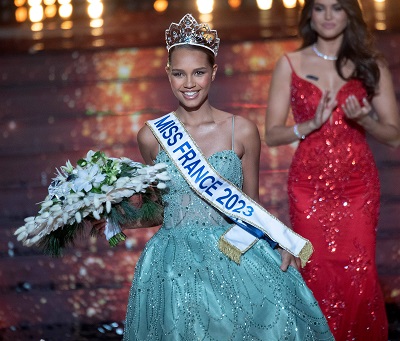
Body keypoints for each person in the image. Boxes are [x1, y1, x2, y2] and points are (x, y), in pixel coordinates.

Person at [116, 13, 334, 341]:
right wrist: (111, 214)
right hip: (172, 265)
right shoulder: (152, 137)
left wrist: (278, 239)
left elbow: (251, 203)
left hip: (233, 253)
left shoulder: (241, 130)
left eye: (199, 72)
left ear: (214, 72)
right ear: (168, 75)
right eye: (179, 74)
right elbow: (161, 209)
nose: (189, 83)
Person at [265, 0, 400, 340]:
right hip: (308, 188)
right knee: (315, 269)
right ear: (309, 13)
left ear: (349, 14)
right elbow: (272, 133)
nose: (327, 16)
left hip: (357, 188)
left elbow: (394, 137)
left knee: (359, 272)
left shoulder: (371, 66)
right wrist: (310, 123)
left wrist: (364, 119)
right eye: (320, 8)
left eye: (336, 8)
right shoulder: (289, 64)